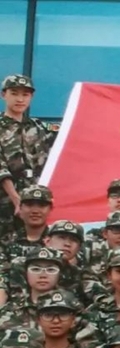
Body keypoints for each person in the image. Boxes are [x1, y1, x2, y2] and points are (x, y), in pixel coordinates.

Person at [0, 74, 56, 241]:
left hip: (35, 201)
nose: (20, 99)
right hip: (5, 200)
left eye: (25, 94)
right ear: (4, 95)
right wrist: (16, 199)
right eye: (14, 93)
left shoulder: (38, 128)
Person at [2, 185, 53, 262]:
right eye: (29, 205)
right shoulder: (6, 241)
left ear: (50, 209)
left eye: (41, 206)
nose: (35, 211)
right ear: (20, 208)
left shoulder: (57, 241)